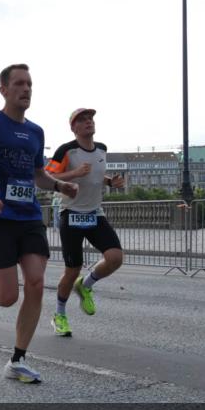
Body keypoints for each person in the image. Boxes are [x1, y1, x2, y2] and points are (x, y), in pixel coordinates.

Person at [0, 64, 78, 384]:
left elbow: (37, 175)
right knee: (7, 296)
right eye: (19, 84)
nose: (26, 89)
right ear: (4, 90)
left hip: (30, 217)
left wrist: (61, 187)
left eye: (30, 84)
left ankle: (18, 360)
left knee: (35, 282)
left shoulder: (36, 132)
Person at [44, 108, 125, 337]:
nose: (88, 122)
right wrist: (74, 173)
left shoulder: (102, 149)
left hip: (94, 212)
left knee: (115, 258)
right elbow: (46, 177)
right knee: (72, 269)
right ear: (74, 127)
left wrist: (111, 182)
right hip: (70, 213)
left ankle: (86, 285)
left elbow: (96, 177)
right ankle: (59, 314)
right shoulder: (66, 151)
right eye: (83, 120)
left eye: (90, 118)